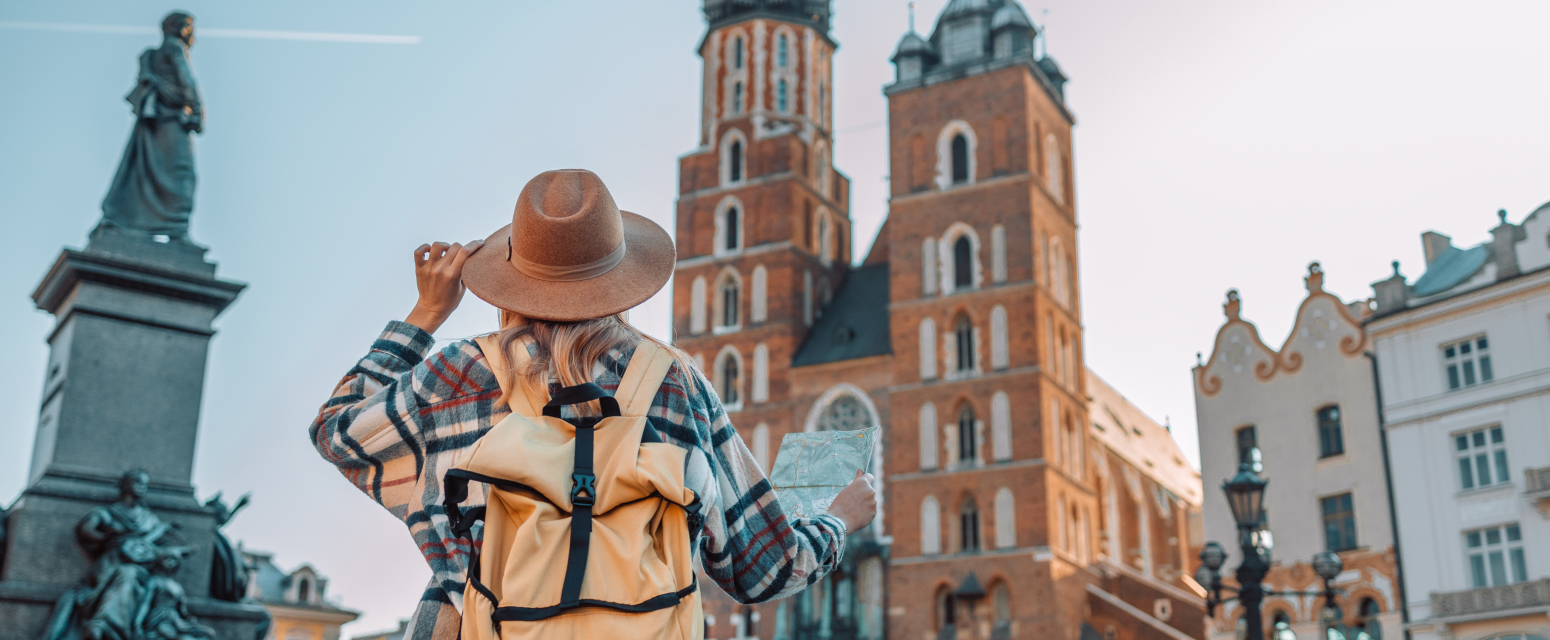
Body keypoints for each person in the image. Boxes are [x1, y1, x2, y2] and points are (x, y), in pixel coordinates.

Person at [311, 169, 877, 638]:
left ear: (510, 278)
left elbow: (335, 432)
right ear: (620, 279)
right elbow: (765, 570)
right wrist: (838, 519)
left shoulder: (461, 375)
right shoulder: (674, 383)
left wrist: (426, 314)